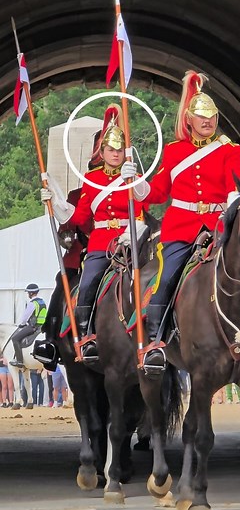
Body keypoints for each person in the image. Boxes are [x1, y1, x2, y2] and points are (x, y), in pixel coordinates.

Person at [121, 69, 240, 375]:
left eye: (212, 116)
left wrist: (230, 208)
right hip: (181, 227)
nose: (208, 121)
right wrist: (134, 180)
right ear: (189, 119)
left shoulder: (229, 150)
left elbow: (235, 185)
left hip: (218, 225)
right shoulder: (174, 153)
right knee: (166, 276)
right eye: (201, 116)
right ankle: (156, 343)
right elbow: (157, 193)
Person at [40, 104, 148, 361]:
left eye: (119, 150)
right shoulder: (92, 180)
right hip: (100, 243)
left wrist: (136, 181)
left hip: (131, 241)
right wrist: (54, 201)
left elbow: (145, 205)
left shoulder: (133, 176)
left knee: (156, 282)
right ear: (102, 152)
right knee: (87, 283)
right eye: (110, 150)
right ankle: (86, 334)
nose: (114, 154)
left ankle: (158, 336)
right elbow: (79, 217)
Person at [33, 187, 92, 369]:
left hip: (119, 252)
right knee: (61, 289)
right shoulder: (77, 195)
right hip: (81, 255)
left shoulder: (126, 186)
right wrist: (66, 235)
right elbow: (66, 228)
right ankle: (51, 340)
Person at [10, 284, 47, 368]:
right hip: (42, 327)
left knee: (15, 339)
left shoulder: (33, 303)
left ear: (31, 293)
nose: (28, 295)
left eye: (28, 293)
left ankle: (19, 361)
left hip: (33, 327)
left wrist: (22, 324)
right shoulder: (42, 302)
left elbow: (25, 316)